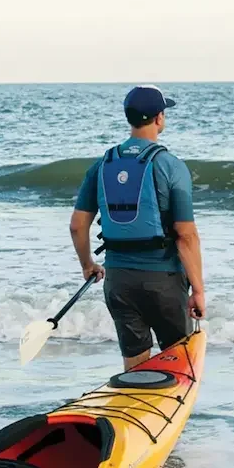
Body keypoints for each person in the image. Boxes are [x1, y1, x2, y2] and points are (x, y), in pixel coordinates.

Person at [68, 85, 206, 371]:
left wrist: (88, 265)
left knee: (134, 369)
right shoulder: (171, 165)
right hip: (164, 282)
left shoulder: (102, 165)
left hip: (118, 282)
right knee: (178, 368)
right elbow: (186, 235)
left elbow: (77, 225)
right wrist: (198, 291)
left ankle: (132, 410)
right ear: (159, 118)